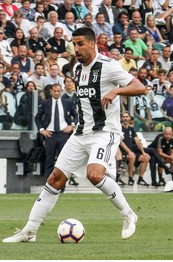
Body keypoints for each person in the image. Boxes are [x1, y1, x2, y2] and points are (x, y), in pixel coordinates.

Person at [2, 27, 146, 243]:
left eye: (80, 44)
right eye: (74, 44)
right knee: (55, 179)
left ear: (92, 43)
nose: (75, 48)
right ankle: (29, 231)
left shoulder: (108, 66)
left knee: (95, 174)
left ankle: (128, 215)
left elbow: (140, 87)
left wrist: (115, 91)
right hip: (81, 133)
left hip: (104, 132)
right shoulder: (79, 68)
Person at [34, 83, 78, 178]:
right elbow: (37, 117)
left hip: (63, 134)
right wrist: (42, 130)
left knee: (63, 161)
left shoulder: (67, 103)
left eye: (58, 91)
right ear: (51, 91)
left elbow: (76, 115)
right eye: (55, 91)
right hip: (50, 135)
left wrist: (72, 125)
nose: (57, 93)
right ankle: (48, 186)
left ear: (61, 91)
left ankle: (61, 186)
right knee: (49, 160)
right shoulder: (46, 103)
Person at [120, 111, 150, 186]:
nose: (125, 119)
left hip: (131, 152)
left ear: (130, 118)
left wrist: (143, 153)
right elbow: (121, 142)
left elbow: (137, 141)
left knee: (146, 157)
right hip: (122, 152)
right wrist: (129, 152)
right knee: (132, 156)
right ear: (121, 118)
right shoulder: (119, 128)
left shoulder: (131, 129)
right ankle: (130, 178)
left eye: (127, 117)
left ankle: (140, 179)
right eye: (124, 117)